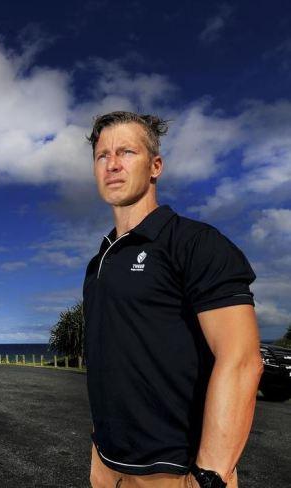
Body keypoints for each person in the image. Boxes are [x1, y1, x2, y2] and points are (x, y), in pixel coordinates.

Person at [82, 111, 263, 488]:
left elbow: (242, 361)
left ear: (155, 166)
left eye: (127, 152)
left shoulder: (196, 244)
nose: (112, 164)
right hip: (106, 467)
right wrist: (99, 452)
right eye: (103, 155)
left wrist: (210, 476)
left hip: (175, 472)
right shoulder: (100, 262)